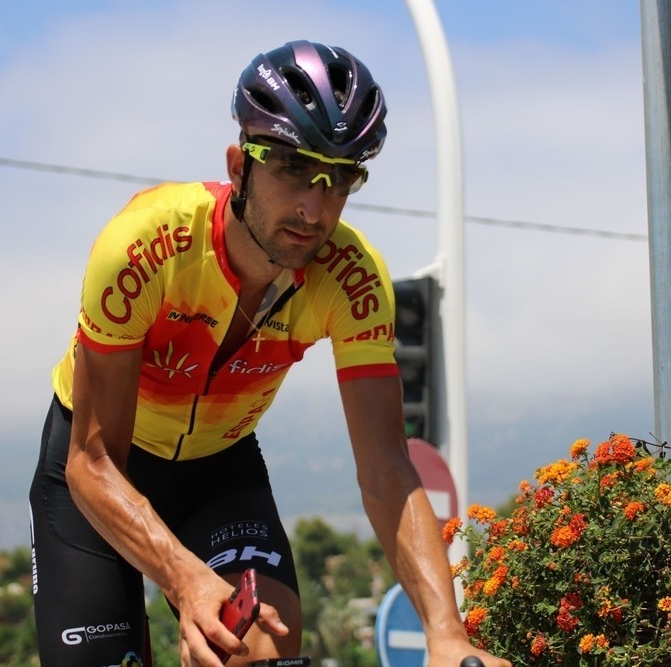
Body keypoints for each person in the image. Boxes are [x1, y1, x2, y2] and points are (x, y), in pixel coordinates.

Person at [28, 39, 511, 667]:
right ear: (238, 166)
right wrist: (184, 577)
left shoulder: (353, 279)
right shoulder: (144, 247)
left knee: (257, 644)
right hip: (101, 470)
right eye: (291, 168)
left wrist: (445, 634)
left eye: (340, 179)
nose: (315, 208)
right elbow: (91, 462)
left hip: (216, 471)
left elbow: (387, 467)